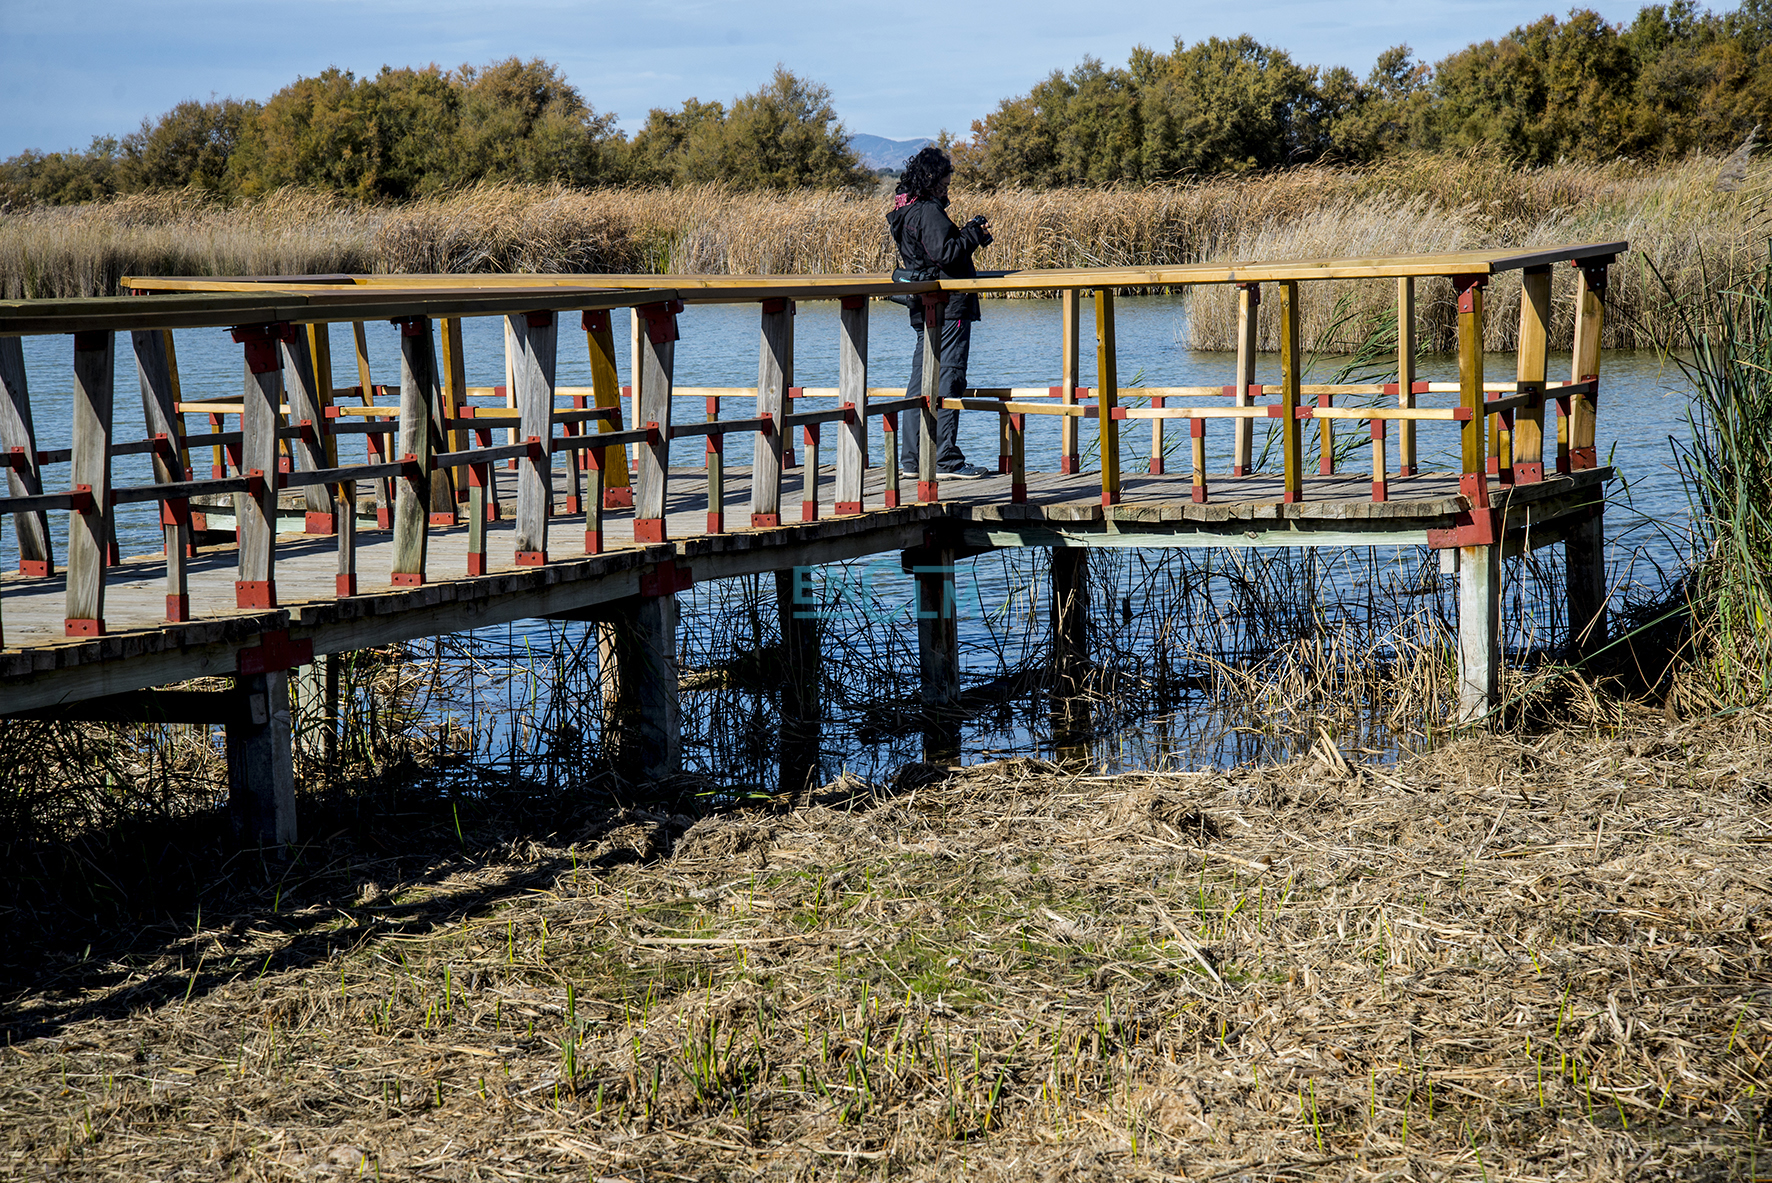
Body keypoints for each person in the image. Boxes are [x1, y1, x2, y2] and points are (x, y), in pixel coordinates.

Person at [888, 146, 993, 479]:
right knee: (948, 377)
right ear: (933, 180)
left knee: (921, 381)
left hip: (926, 306)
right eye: (945, 184)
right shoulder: (928, 212)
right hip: (949, 308)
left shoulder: (907, 210)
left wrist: (964, 232)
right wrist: (973, 235)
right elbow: (946, 254)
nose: (947, 189)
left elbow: (932, 253)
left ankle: (911, 459)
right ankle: (945, 459)